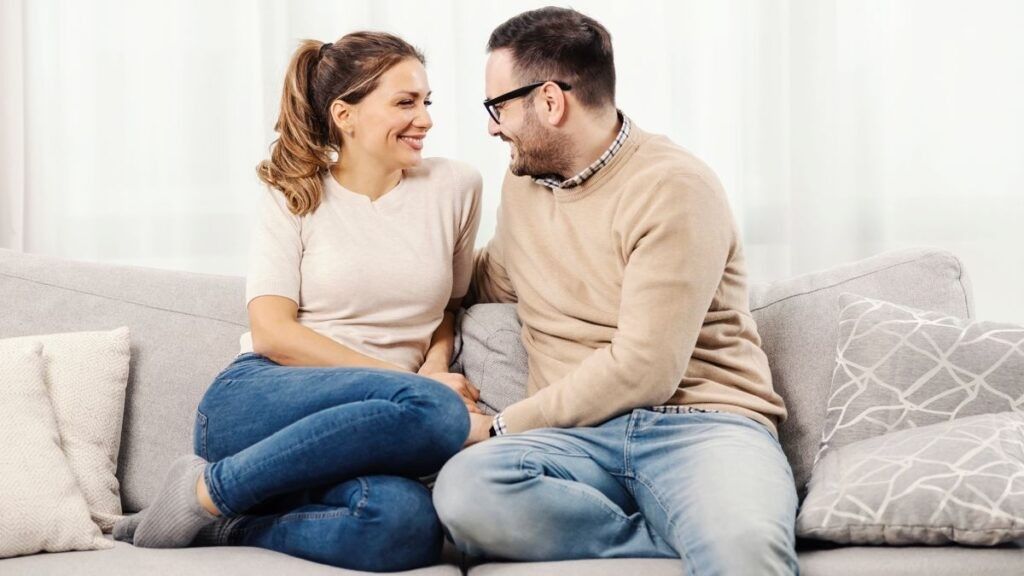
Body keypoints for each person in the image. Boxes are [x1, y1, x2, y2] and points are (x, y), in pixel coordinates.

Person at [432, 7, 799, 575]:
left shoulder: (672, 186)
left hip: (699, 425)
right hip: (572, 442)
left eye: (497, 107)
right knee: (467, 491)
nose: (492, 127)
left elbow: (644, 368)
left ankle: (708, 526)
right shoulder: (524, 185)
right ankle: (675, 536)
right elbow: (488, 281)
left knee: (744, 548)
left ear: (550, 102)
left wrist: (502, 426)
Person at [112, 31, 485, 572]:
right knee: (435, 410)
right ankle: (209, 490)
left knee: (404, 526)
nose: (425, 118)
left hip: (375, 426)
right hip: (261, 398)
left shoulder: (456, 187)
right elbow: (273, 334)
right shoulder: (293, 192)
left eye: (427, 102)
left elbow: (449, 308)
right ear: (344, 114)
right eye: (405, 102)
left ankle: (223, 520)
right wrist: (411, 387)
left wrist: (429, 368)